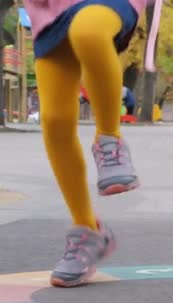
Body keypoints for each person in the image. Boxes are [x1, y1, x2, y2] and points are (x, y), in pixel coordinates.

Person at [24, 0, 162, 288]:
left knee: (89, 30)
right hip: (49, 9)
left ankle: (110, 140)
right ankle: (88, 230)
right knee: (55, 119)